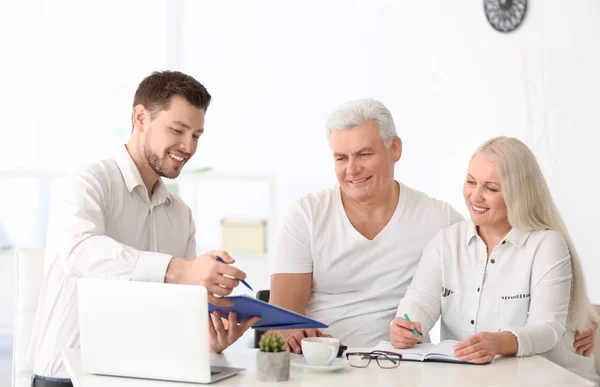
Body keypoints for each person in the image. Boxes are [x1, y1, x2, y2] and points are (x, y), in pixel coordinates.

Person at [269, 98, 597, 357]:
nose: (352, 169)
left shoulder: (440, 222)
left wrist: (581, 317)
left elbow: (498, 246)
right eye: (341, 158)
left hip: (401, 366)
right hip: (325, 364)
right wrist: (290, 334)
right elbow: (282, 322)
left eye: (364, 154)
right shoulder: (307, 215)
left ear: (394, 149)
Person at [28, 71, 259, 386]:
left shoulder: (180, 215)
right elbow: (79, 253)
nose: (188, 147)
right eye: (177, 130)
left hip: (149, 375)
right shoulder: (87, 184)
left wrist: (210, 339)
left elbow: (177, 307)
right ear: (140, 117)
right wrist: (179, 270)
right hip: (68, 377)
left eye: (197, 135)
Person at [390, 136, 599, 385]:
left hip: (553, 379)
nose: (475, 196)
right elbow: (418, 305)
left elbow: (547, 328)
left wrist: (499, 342)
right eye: (471, 182)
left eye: (491, 188)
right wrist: (404, 328)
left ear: (519, 193)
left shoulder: (546, 245)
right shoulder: (446, 242)